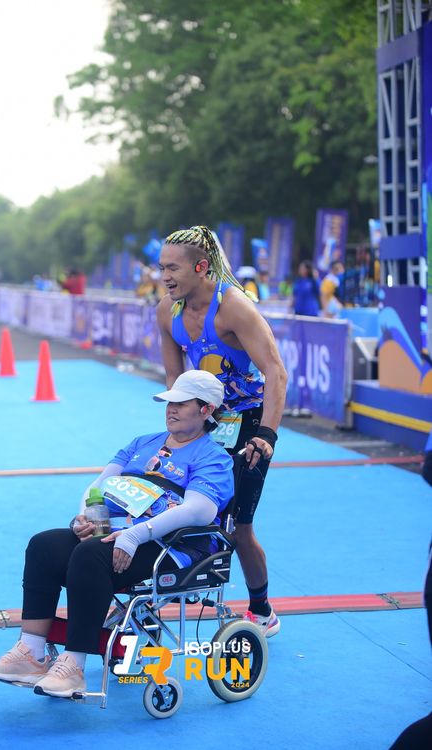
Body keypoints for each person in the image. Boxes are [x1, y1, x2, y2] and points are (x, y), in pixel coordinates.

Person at [0, 370, 234, 698]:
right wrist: (85, 518)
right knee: (44, 545)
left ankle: (73, 667)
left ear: (206, 409)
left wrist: (135, 535)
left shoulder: (213, 457)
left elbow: (200, 510)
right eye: (169, 403)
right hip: (113, 532)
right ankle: (31, 653)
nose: (171, 409)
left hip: (168, 543)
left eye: (181, 404)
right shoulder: (142, 443)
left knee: (91, 554)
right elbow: (99, 485)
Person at [156, 225, 287, 637]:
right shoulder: (167, 312)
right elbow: (176, 380)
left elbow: (276, 372)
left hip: (250, 423)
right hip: (207, 421)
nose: (165, 277)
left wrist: (267, 435)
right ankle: (174, 587)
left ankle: (262, 610)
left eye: (173, 268)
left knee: (238, 526)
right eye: (162, 268)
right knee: (177, 505)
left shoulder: (234, 308)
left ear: (201, 267)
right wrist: (179, 427)